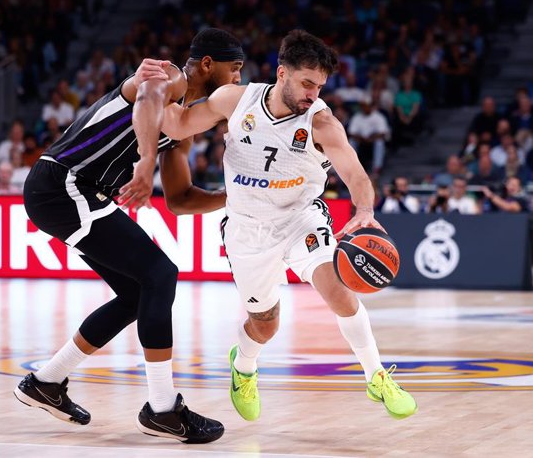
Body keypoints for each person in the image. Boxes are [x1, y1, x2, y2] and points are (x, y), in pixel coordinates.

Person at [160, 29, 417, 423]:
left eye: (320, 86)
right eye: (307, 82)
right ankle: (244, 366)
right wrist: (150, 91)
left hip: (301, 220)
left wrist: (364, 208)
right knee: (266, 325)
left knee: (339, 292)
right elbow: (176, 127)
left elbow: (356, 175)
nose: (313, 93)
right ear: (282, 73)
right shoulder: (234, 99)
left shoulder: (323, 123)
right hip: (247, 229)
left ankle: (376, 376)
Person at [13, 28, 244, 444]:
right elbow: (147, 100)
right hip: (63, 183)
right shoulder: (167, 76)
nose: (238, 78)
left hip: (79, 193)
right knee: (160, 273)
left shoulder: (185, 126)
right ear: (208, 64)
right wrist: (145, 160)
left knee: (140, 293)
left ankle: (46, 382)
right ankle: (162, 409)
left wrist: (237, 198)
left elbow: (180, 199)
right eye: (235, 68)